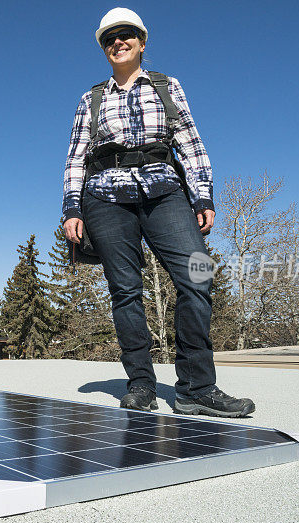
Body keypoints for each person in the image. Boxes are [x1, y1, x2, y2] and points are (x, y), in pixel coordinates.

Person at [61, 7, 255, 417]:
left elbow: (190, 142)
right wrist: (71, 208)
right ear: (103, 47)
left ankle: (196, 388)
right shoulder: (90, 99)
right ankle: (141, 386)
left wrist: (202, 196)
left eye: (126, 34)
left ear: (142, 41)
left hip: (165, 191)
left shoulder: (168, 86)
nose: (118, 41)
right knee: (126, 291)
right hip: (105, 197)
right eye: (109, 37)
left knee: (198, 276)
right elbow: (77, 156)